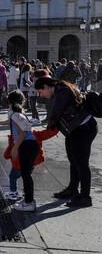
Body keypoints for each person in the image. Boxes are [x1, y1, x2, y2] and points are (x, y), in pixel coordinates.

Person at [35, 77, 97, 208]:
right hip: (75, 129)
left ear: (46, 86)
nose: (42, 95)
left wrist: (50, 124)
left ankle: (86, 197)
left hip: (83, 128)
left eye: (40, 91)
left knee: (81, 163)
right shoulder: (60, 89)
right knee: (73, 160)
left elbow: (56, 111)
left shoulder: (61, 91)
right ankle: (73, 189)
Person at [0, 90, 40, 211]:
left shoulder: (16, 115)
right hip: (33, 145)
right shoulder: (21, 114)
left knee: (26, 175)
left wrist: (15, 148)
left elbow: (22, 133)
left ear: (10, 103)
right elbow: (11, 123)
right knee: (26, 174)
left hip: (26, 146)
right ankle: (29, 200)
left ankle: (29, 202)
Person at [2, 127, 59, 201]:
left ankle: (13, 192)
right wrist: (56, 127)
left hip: (18, 164)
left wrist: (6, 156)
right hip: (31, 163)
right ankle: (26, 191)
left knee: (13, 176)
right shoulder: (35, 134)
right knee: (27, 177)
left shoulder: (15, 138)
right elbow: (47, 133)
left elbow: (8, 153)